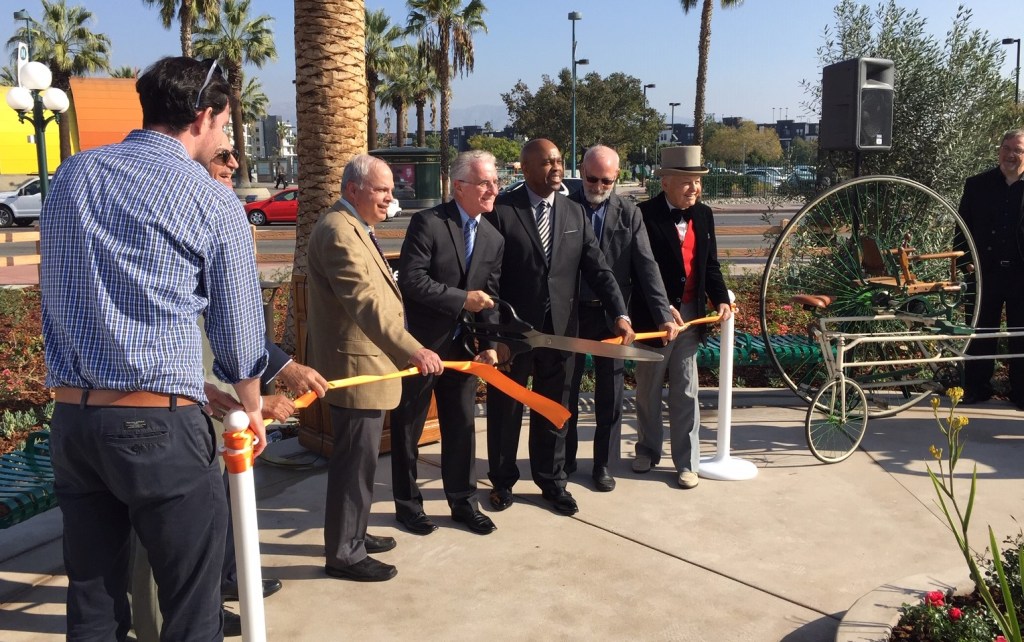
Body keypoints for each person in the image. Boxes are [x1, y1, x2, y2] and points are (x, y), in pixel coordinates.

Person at [40, 56, 267, 640]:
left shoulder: (72, 176)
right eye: (223, 124)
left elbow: (66, 291)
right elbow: (239, 331)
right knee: (191, 607)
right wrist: (252, 406)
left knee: (92, 600)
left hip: (74, 420)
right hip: (157, 429)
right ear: (203, 115)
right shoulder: (210, 199)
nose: (223, 138)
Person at [202, 135, 329, 612]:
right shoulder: (205, 215)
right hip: (199, 403)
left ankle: (228, 578)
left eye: (234, 154)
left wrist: (285, 368)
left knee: (223, 502)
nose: (234, 163)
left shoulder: (215, 212)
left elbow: (237, 324)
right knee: (203, 511)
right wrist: (253, 403)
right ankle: (210, 600)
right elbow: (221, 330)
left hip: (214, 399)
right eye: (222, 154)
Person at [306, 154, 444, 582]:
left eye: (391, 189)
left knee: (363, 463)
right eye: (381, 189)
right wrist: (412, 349)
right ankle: (345, 554)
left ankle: (355, 534)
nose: (390, 197)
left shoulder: (354, 226)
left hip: (368, 363)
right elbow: (364, 302)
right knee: (354, 465)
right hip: (356, 369)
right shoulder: (338, 231)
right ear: (353, 190)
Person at [484, 138, 634, 517]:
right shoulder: (502, 211)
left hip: (561, 332)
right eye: (547, 161)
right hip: (513, 335)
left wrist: (620, 312)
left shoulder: (573, 212)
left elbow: (598, 268)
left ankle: (552, 482)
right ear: (526, 168)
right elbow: (489, 279)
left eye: (559, 160)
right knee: (506, 410)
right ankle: (502, 481)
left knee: (555, 408)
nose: (556, 167)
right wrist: (493, 333)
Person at [390, 150, 504, 536]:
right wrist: (461, 299)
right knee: (408, 427)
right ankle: (408, 506)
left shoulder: (493, 237)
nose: (493, 189)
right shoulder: (429, 223)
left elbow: (489, 296)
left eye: (495, 182)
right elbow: (412, 280)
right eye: (485, 183)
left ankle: (463, 502)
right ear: (460, 187)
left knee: (462, 426)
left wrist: (490, 343)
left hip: (463, 350)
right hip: (421, 347)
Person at [566, 145, 681, 492]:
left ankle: (603, 464)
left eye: (606, 180)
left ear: (616, 177)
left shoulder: (629, 214)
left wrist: (663, 314)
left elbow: (646, 266)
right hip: (570, 314)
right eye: (592, 179)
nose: (598, 186)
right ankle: (564, 460)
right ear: (581, 172)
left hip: (614, 319)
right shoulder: (565, 207)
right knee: (566, 390)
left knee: (611, 395)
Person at [630, 145, 732, 490]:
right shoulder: (643, 214)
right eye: (687, 182)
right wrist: (660, 309)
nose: (695, 188)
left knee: (686, 390)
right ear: (666, 183)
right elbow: (637, 271)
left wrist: (720, 299)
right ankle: (647, 450)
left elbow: (710, 265)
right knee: (648, 390)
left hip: (690, 316)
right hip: (653, 317)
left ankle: (687, 463)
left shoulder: (704, 215)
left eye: (698, 182)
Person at [957, 129, 1024, 408]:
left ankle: (1021, 393)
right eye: (1006, 148)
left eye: (1018, 150)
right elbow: (961, 226)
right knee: (979, 332)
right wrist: (965, 262)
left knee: (1021, 335)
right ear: (999, 150)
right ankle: (976, 388)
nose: (1011, 155)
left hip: (1021, 274)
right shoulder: (977, 185)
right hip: (984, 272)